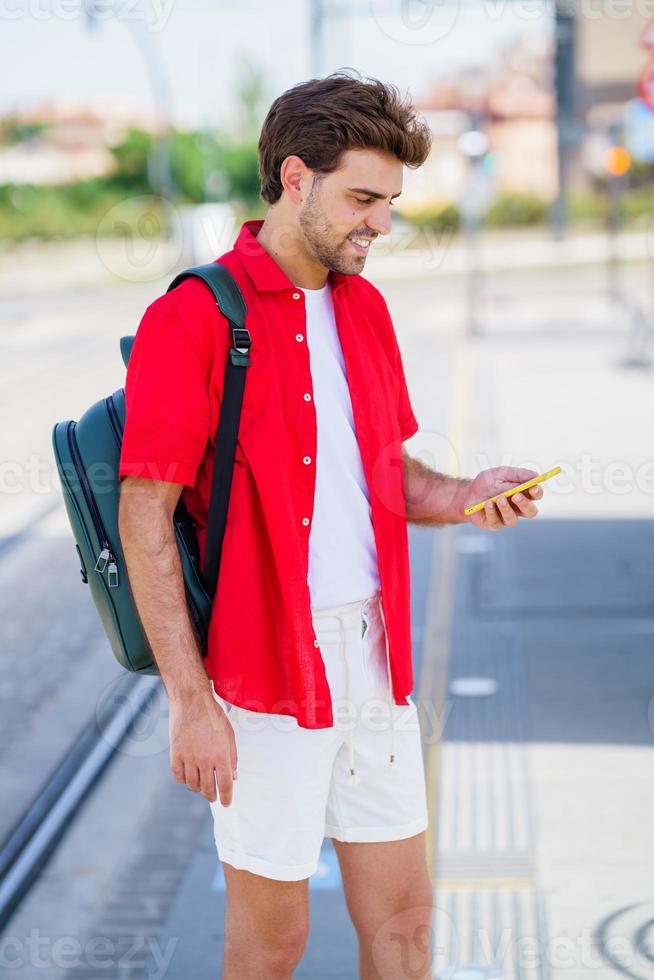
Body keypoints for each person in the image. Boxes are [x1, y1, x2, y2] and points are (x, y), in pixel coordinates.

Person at [117, 69, 543, 980]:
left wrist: (474, 491)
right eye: (362, 198)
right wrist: (189, 702)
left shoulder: (365, 308)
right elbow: (143, 514)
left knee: (404, 926)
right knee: (273, 945)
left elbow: (389, 476)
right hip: (263, 671)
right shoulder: (194, 315)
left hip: (374, 659)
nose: (380, 224)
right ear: (296, 178)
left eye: (389, 203)